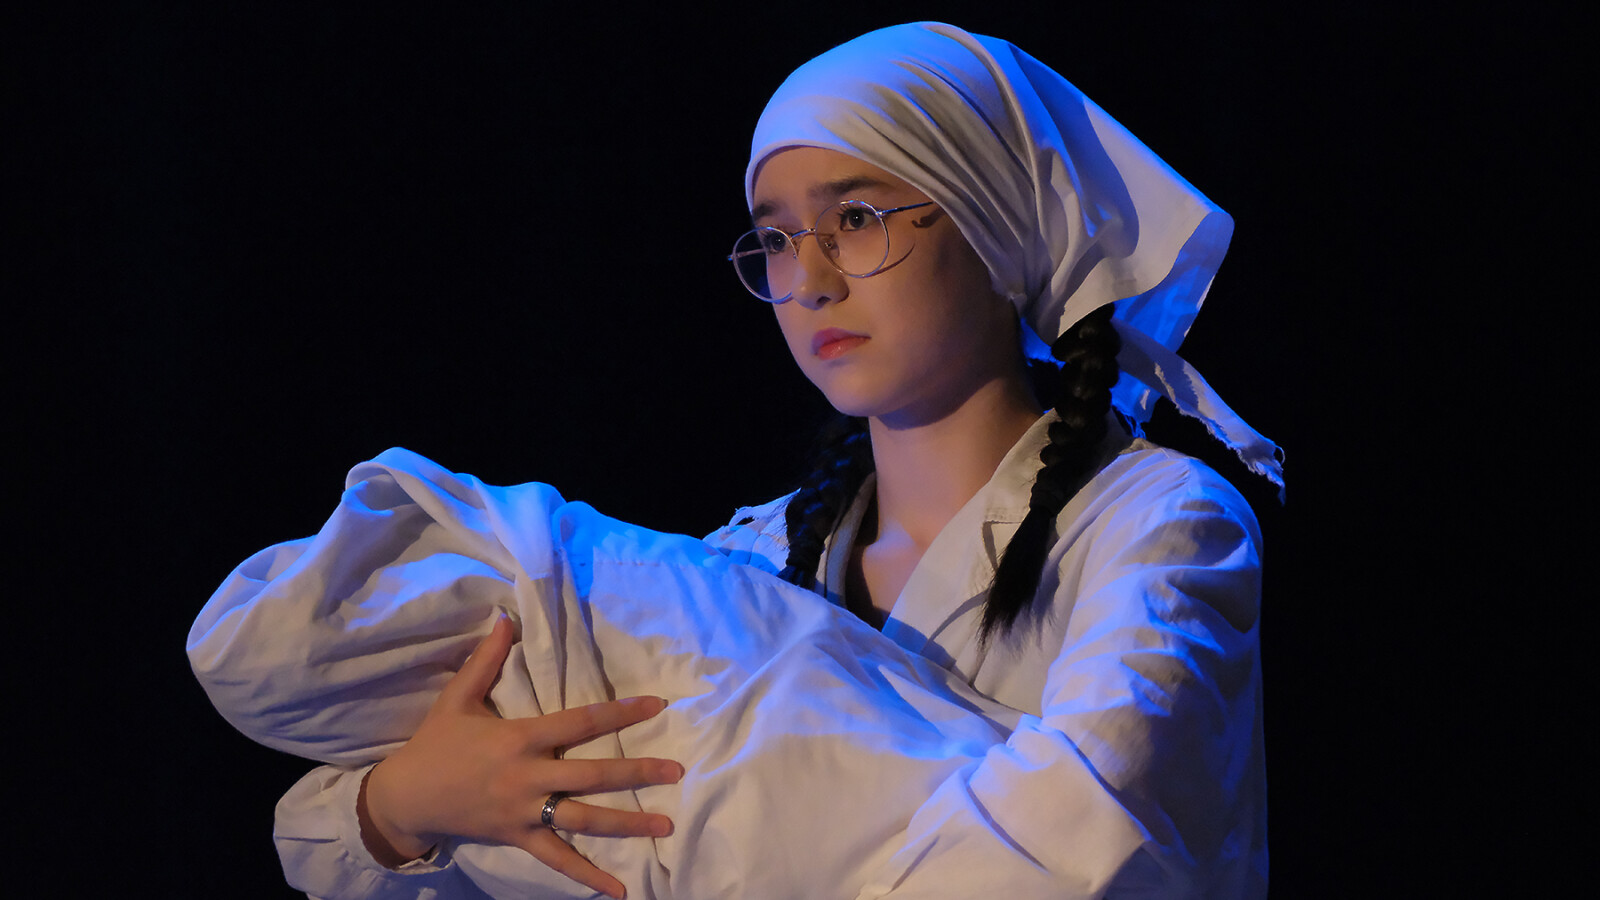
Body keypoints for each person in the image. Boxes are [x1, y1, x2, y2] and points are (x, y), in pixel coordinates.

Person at [188, 21, 1282, 900]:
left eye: (858, 218)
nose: (810, 279)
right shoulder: (747, 563)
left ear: (995, 228)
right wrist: (405, 808)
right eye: (776, 237)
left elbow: (1085, 849)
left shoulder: (1153, 523)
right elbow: (338, 845)